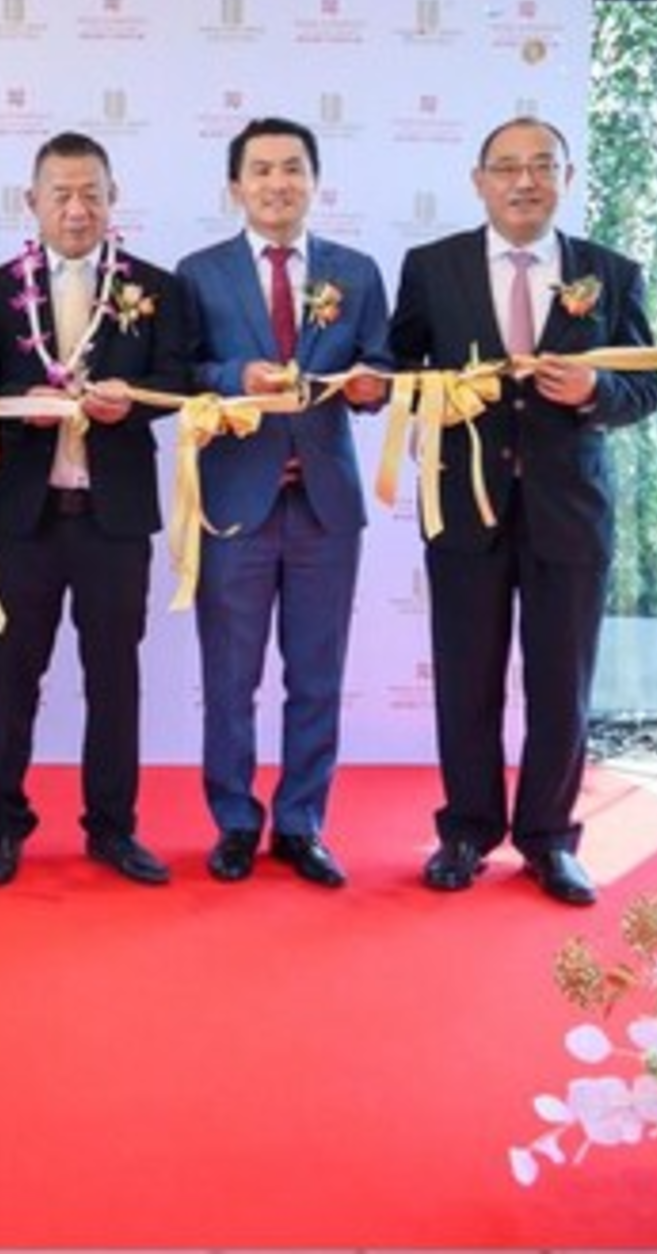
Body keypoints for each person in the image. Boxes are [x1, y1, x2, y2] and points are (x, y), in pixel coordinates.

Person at [389, 116, 657, 907]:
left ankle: (548, 839)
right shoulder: (431, 267)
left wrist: (597, 390)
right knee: (465, 678)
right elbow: (399, 365)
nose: (524, 181)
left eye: (542, 165)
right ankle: (467, 830)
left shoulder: (611, 272)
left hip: (569, 509)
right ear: (479, 181)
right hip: (464, 506)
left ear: (566, 179)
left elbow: (647, 383)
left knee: (561, 684)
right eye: (507, 167)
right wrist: (441, 394)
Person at [0, 130, 194, 888]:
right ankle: (3, 826)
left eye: (91, 193)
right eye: (60, 194)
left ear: (112, 198)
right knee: (11, 681)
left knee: (114, 680)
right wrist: (13, 402)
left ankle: (113, 828)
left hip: (113, 518)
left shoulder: (152, 285)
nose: (76, 208)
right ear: (31, 202)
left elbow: (179, 380)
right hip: (24, 518)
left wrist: (136, 400)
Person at [178, 117, 390, 889]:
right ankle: (235, 821)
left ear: (315, 180)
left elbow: (382, 366)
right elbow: (181, 371)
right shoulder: (198, 273)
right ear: (235, 186)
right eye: (261, 170)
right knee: (230, 678)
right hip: (235, 502)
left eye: (292, 168)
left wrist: (371, 386)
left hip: (326, 507)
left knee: (318, 677)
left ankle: (302, 823)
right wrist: (234, 377)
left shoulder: (356, 272)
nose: (278, 183)